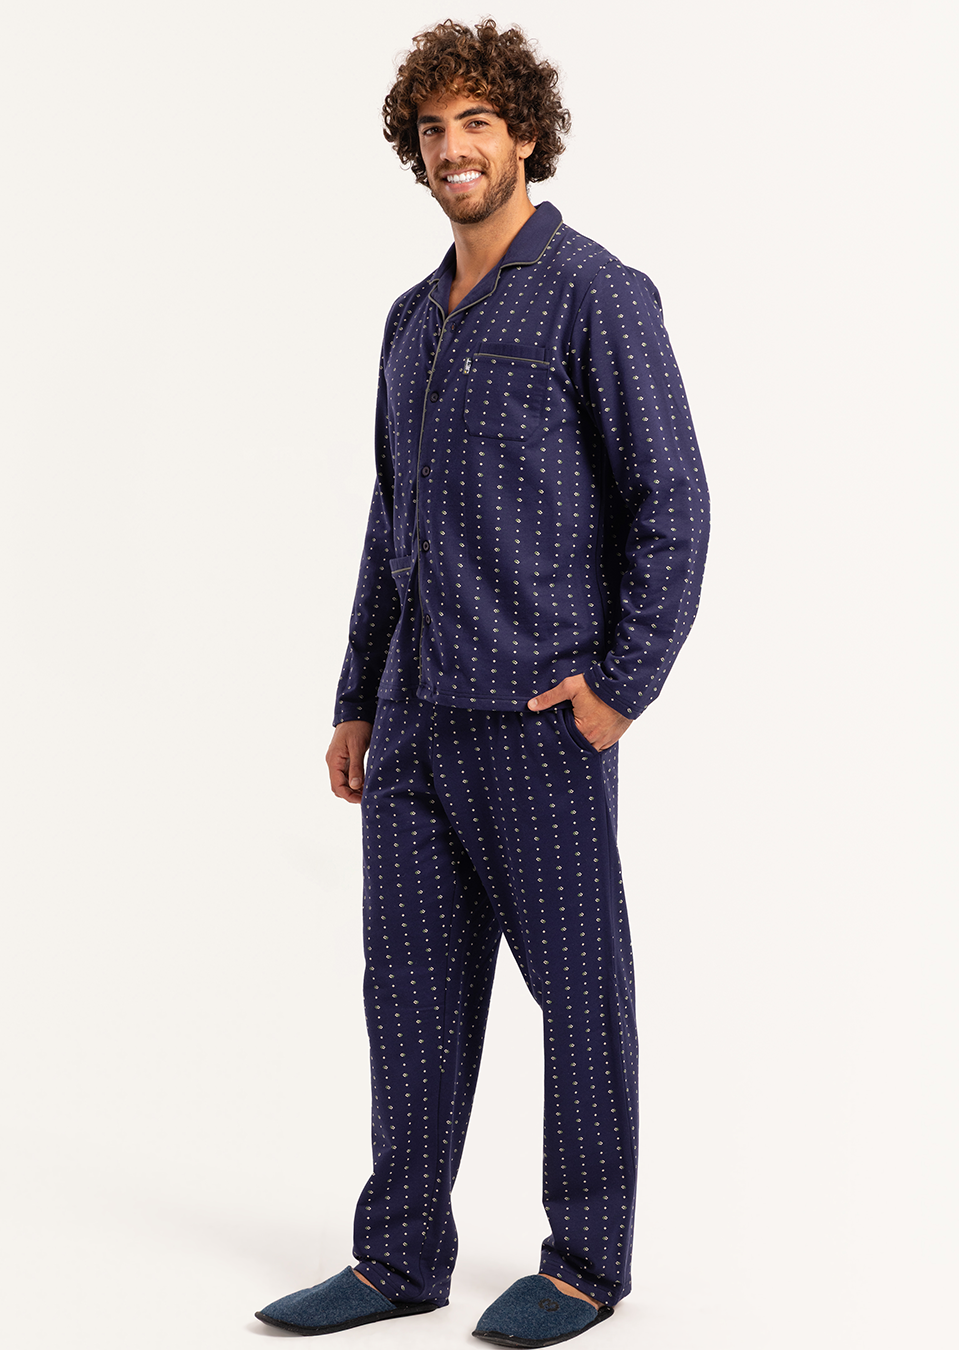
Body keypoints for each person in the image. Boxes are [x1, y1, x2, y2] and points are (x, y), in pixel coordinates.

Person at [257, 18, 709, 1347]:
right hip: (413, 725)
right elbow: (389, 519)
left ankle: (585, 1263)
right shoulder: (411, 322)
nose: (453, 149)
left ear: (523, 137)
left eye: (476, 124)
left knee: (582, 998)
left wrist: (620, 686)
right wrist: (357, 696)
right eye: (432, 130)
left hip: (538, 721)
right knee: (406, 998)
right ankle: (399, 1255)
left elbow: (673, 503)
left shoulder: (595, 294)